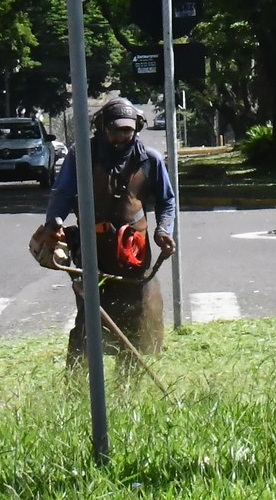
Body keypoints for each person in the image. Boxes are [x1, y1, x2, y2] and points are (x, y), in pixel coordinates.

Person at [33, 98, 177, 362]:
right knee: (89, 320)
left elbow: (167, 200)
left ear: (137, 128)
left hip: (133, 256)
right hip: (92, 255)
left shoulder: (150, 160)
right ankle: (81, 385)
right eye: (115, 131)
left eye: (128, 131)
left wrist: (163, 231)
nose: (122, 137)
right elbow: (63, 192)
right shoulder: (81, 156)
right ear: (101, 127)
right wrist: (54, 220)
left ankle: (128, 387)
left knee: (135, 319)